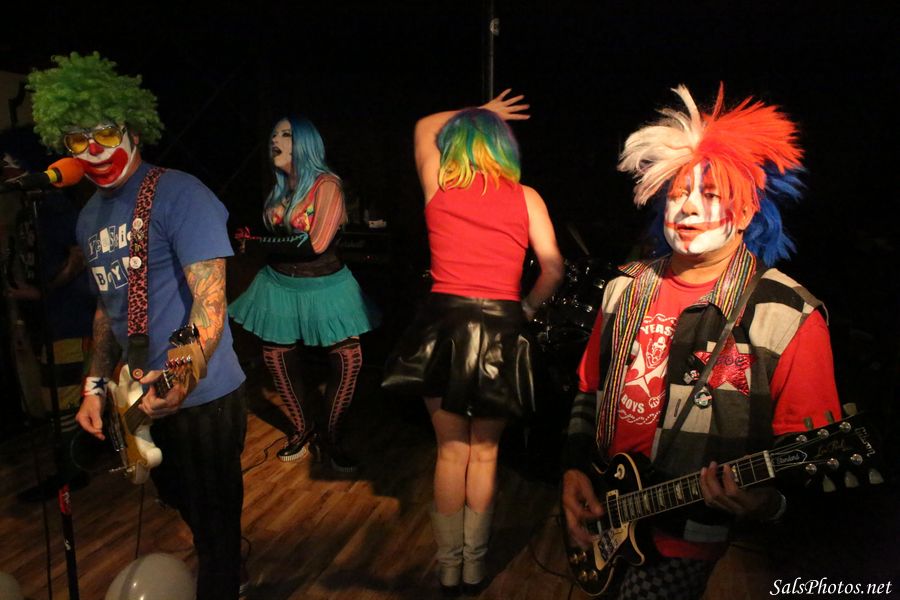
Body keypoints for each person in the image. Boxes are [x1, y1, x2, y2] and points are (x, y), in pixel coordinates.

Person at [561, 84, 842, 599]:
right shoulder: (624, 288)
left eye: (711, 195)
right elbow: (589, 390)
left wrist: (768, 505)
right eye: (676, 193)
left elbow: (814, 458)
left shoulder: (788, 316)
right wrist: (575, 466)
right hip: (605, 510)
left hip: (684, 539)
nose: (688, 208)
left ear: (748, 211)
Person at [28, 52, 248, 600]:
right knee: (180, 501)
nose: (95, 150)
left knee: (216, 524)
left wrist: (180, 378)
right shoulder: (88, 217)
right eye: (79, 140)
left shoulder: (180, 194)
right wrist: (94, 386)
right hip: (138, 395)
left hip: (203, 395)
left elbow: (210, 303)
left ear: (134, 129)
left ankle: (225, 575)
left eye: (105, 133)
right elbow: (108, 309)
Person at [383, 90, 564, 594]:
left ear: (457, 143)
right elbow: (553, 269)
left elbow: (424, 124)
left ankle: (448, 568)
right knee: (484, 455)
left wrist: (482, 109)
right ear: (504, 149)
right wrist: (525, 310)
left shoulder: (440, 186)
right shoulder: (527, 198)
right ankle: (475, 568)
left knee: (450, 453)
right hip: (502, 328)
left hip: (442, 326)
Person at [228, 115, 379, 471]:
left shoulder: (327, 185)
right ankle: (302, 429)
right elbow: (278, 241)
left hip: (326, 286)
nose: (275, 140)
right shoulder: (279, 188)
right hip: (280, 284)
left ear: (307, 143)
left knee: (348, 360)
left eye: (286, 134)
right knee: (277, 357)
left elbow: (316, 244)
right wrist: (255, 243)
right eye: (273, 134)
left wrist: (257, 244)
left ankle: (331, 436)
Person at [0, 127, 94, 501]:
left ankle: (72, 473)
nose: (5, 172)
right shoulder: (29, 210)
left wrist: (42, 291)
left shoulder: (56, 207)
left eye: (8, 163)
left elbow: (79, 255)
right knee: (55, 397)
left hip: (70, 317)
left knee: (63, 399)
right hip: (50, 318)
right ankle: (70, 468)